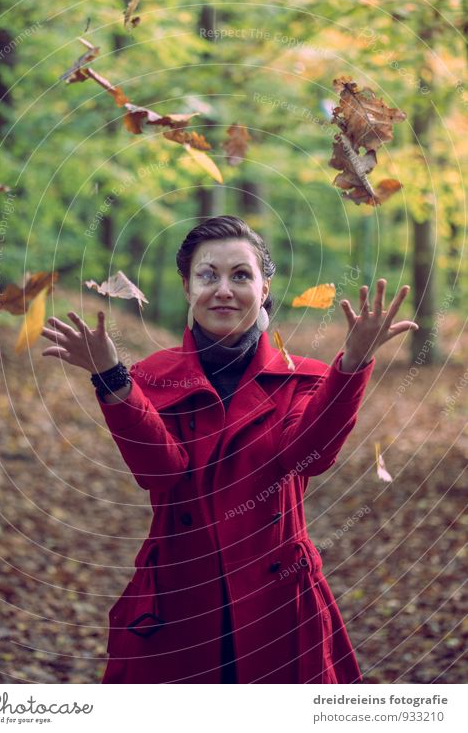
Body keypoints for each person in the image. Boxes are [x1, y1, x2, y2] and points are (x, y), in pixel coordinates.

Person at [41, 215, 418, 684]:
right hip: (177, 601)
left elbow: (309, 454)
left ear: (263, 290)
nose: (224, 288)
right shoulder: (148, 377)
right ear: (186, 287)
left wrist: (353, 362)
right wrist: (112, 379)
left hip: (278, 602)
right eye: (208, 275)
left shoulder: (305, 377)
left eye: (241, 275)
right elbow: (162, 471)